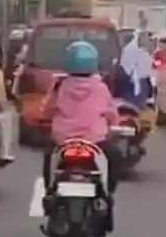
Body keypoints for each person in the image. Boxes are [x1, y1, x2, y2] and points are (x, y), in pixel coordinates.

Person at [42, 41, 120, 204]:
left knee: (49, 158)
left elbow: (47, 111)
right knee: (115, 156)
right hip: (95, 141)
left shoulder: (60, 86)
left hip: (63, 140)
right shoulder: (100, 87)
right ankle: (107, 192)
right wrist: (114, 125)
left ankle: (50, 191)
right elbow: (112, 114)